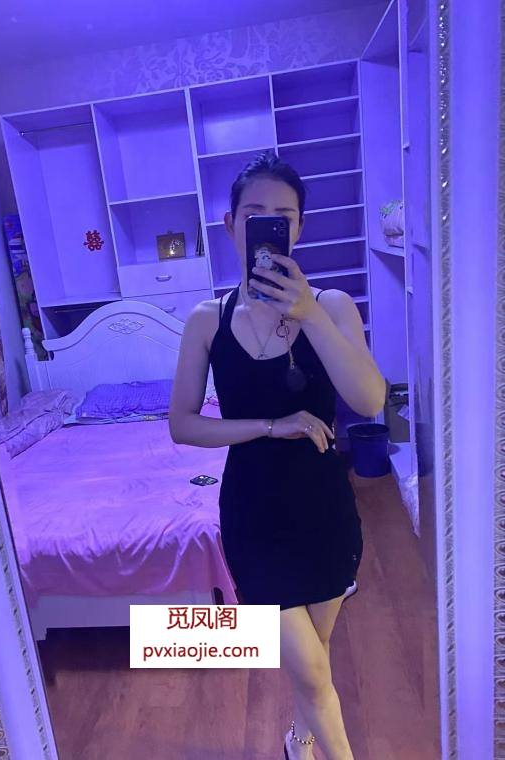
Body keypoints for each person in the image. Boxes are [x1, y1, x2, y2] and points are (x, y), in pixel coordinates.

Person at [168, 150, 385, 760]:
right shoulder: (206, 321)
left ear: (299, 228)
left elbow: (370, 399)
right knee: (313, 673)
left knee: (314, 657)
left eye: (283, 218)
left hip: (325, 514)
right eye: (255, 215)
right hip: (254, 516)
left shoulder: (332, 306)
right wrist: (270, 425)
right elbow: (182, 425)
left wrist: (308, 313)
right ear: (231, 225)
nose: (269, 228)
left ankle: (297, 740)